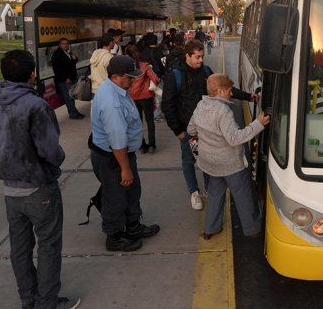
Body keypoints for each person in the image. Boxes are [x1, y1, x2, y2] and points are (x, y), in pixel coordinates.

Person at [0, 50, 79, 309]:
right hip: (39, 188)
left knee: (20, 247)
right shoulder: (36, 106)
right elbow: (50, 151)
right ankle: (47, 301)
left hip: (10, 190)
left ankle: (29, 298)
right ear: (32, 74)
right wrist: (54, 161)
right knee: (48, 245)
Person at [161, 40, 258, 210]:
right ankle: (194, 192)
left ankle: (209, 189)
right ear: (187, 56)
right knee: (188, 160)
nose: (200, 60)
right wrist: (178, 130)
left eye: (202, 57)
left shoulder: (206, 72)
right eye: (197, 57)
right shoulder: (175, 75)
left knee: (206, 159)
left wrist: (248, 97)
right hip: (187, 129)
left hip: (206, 128)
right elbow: (167, 105)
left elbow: (224, 88)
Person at [90, 55, 160, 251]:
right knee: (116, 197)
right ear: (116, 77)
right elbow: (117, 140)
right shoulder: (112, 102)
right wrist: (125, 169)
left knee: (132, 191)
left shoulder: (118, 89)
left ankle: (133, 226)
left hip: (121, 155)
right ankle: (114, 236)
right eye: (130, 77)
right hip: (114, 158)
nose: (134, 80)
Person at [188, 75, 269, 239]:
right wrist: (258, 124)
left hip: (210, 163)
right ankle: (252, 229)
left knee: (215, 195)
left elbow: (191, 130)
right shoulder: (223, 111)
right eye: (229, 90)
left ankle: (211, 228)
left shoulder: (200, 105)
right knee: (243, 195)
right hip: (230, 164)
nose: (231, 94)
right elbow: (234, 138)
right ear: (219, 91)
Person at [125, 44, 159, 153]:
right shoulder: (145, 66)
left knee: (137, 122)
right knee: (150, 121)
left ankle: (142, 145)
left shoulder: (127, 68)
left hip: (133, 98)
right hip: (146, 97)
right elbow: (155, 79)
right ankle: (152, 145)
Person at [51, 38, 85, 119]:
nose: (65, 45)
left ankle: (75, 112)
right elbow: (57, 69)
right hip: (64, 80)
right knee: (68, 98)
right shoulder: (57, 54)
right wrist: (65, 78)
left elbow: (70, 64)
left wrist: (75, 58)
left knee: (71, 97)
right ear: (59, 45)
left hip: (71, 78)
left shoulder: (67, 52)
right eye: (63, 44)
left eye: (67, 43)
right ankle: (73, 114)